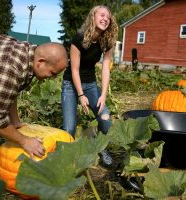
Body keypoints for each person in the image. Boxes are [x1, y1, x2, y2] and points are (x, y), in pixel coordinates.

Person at [0, 35, 68, 170]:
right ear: (40, 62)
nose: (52, 78)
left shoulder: (28, 57)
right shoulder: (10, 68)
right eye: (52, 73)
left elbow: (10, 91)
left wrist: (15, 121)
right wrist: (25, 141)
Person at [61, 5, 118, 167]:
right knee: (69, 129)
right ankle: (66, 159)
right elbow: (74, 70)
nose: (105, 18)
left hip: (91, 84)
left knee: (106, 120)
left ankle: (99, 147)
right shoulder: (79, 38)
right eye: (102, 15)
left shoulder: (107, 41)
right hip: (71, 85)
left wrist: (103, 95)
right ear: (92, 17)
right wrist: (80, 95)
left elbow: (106, 68)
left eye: (108, 17)